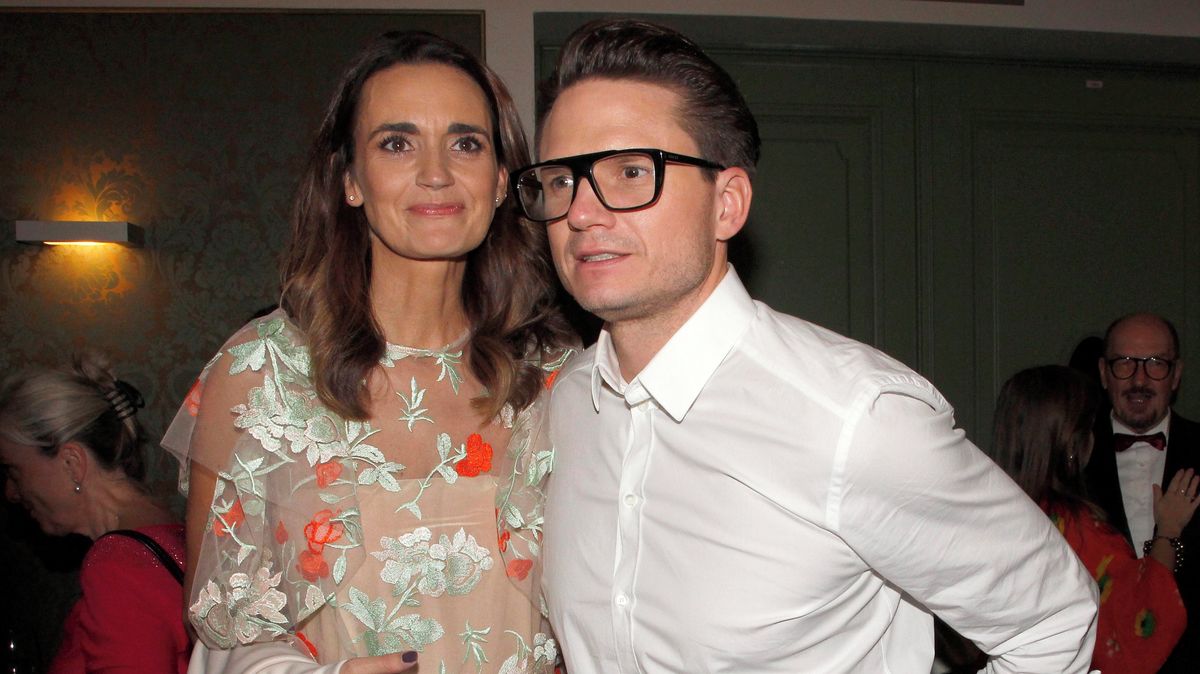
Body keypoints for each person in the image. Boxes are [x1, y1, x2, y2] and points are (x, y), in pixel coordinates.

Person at [523, 18, 1099, 673]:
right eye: (560, 180)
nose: (581, 213)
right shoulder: (562, 407)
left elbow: (1054, 624)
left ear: (727, 204)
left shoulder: (858, 422)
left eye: (631, 171)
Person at [162, 31, 573, 674]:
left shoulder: (561, 380)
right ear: (350, 180)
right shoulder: (262, 376)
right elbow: (225, 633)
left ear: (500, 181)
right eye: (397, 143)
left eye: (466, 143)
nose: (435, 173)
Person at [989, 365, 1194, 673]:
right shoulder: (1077, 528)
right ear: (1074, 443)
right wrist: (1168, 531)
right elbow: (1138, 630)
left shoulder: (994, 516)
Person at [0, 353, 189, 673]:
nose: (10, 492)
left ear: (72, 463)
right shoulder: (166, 531)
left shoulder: (117, 565)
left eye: (15, 472)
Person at [1085, 312, 1200, 673]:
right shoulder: (1072, 459)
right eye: (1124, 363)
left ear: (1176, 375)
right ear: (1103, 373)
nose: (1139, 379)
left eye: (1155, 364)